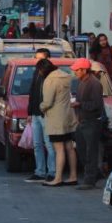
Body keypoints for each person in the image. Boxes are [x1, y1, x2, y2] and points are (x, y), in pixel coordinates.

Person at [40, 59, 78, 187]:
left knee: (59, 148)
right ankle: (73, 176)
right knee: (70, 147)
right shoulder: (65, 76)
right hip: (68, 116)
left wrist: (41, 106)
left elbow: (48, 102)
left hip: (56, 118)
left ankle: (58, 178)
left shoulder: (50, 80)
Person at [71, 58, 104, 190]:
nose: (75, 73)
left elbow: (96, 105)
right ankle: (95, 173)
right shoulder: (81, 82)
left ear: (84, 70)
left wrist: (80, 104)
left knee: (90, 152)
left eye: (77, 70)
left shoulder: (94, 84)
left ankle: (90, 179)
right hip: (82, 121)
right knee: (82, 150)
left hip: (91, 121)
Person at [26, 56, 56, 183]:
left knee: (49, 145)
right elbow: (32, 92)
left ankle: (52, 171)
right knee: (37, 144)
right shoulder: (37, 74)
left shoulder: (52, 78)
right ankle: (40, 171)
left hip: (46, 114)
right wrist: (30, 112)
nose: (38, 71)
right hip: (35, 114)